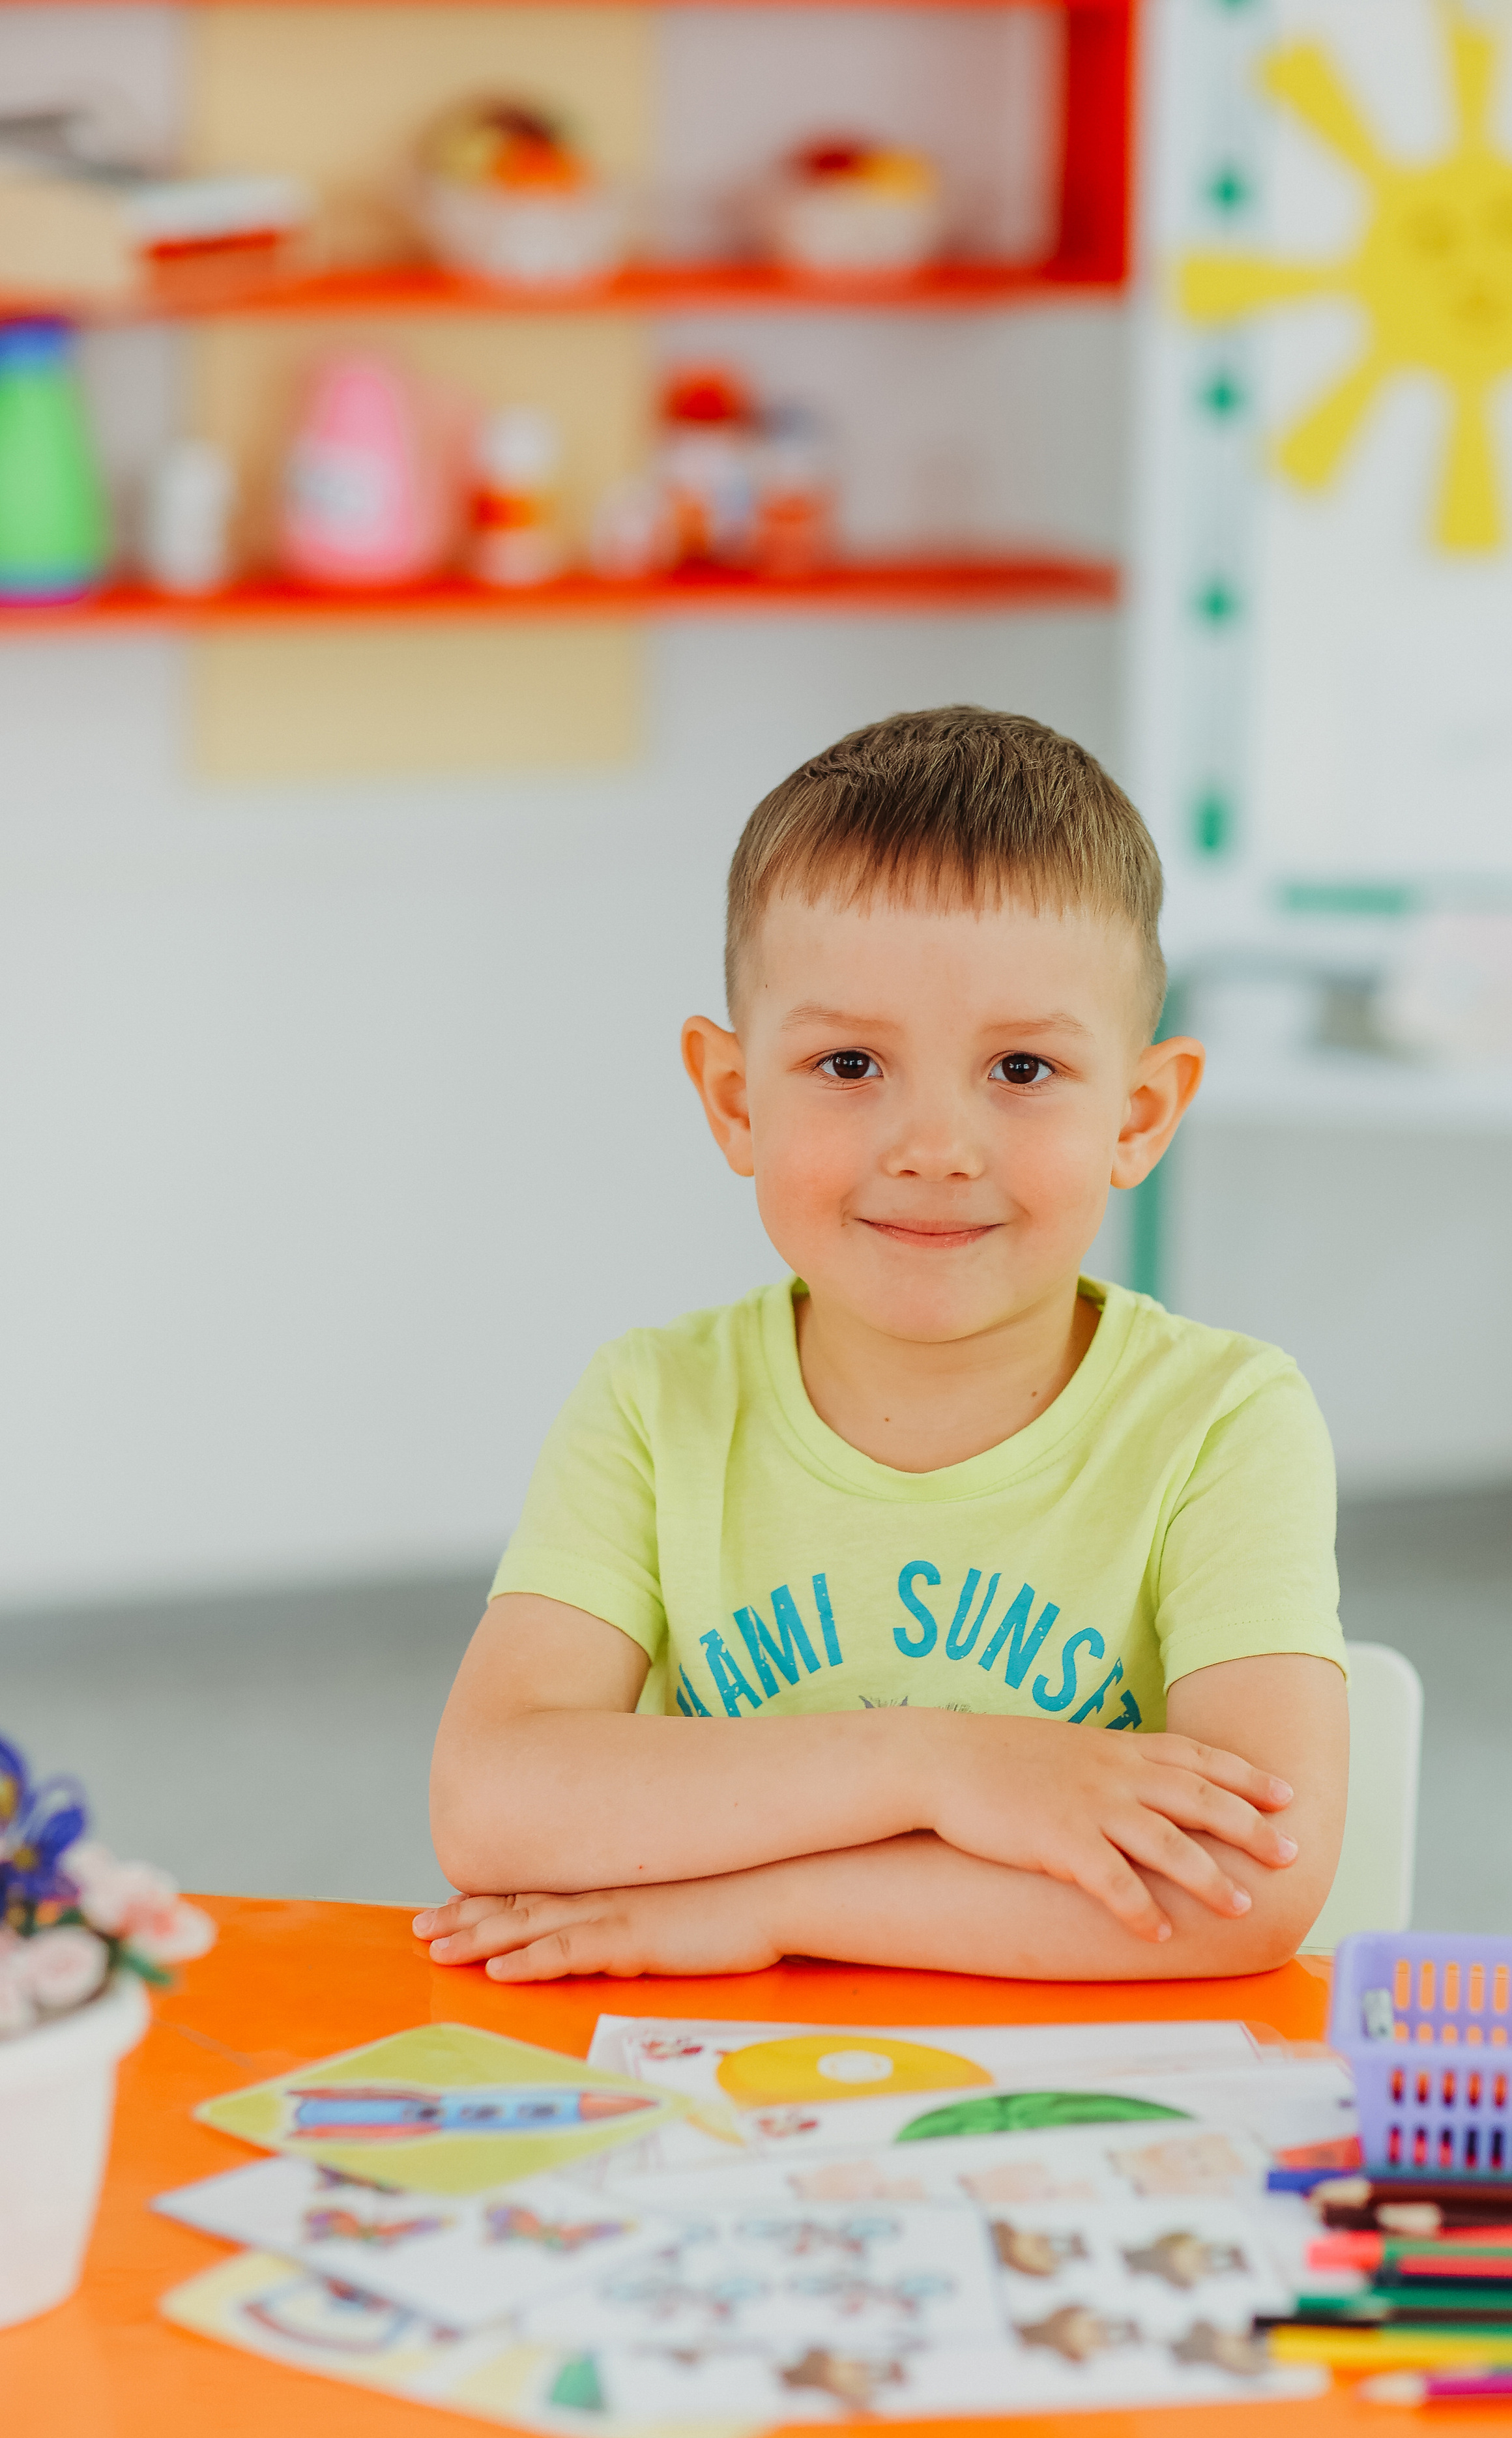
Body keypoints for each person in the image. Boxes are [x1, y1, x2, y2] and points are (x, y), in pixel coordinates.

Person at [416, 706, 1349, 1984]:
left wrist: (759, 1910)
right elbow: (490, 1806)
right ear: (735, 1099)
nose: (933, 1146)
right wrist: (944, 1765)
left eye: (1019, 1069)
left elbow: (1243, 1888)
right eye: (849, 1061)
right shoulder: (653, 1401)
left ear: (1136, 1117)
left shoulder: (1224, 1419)